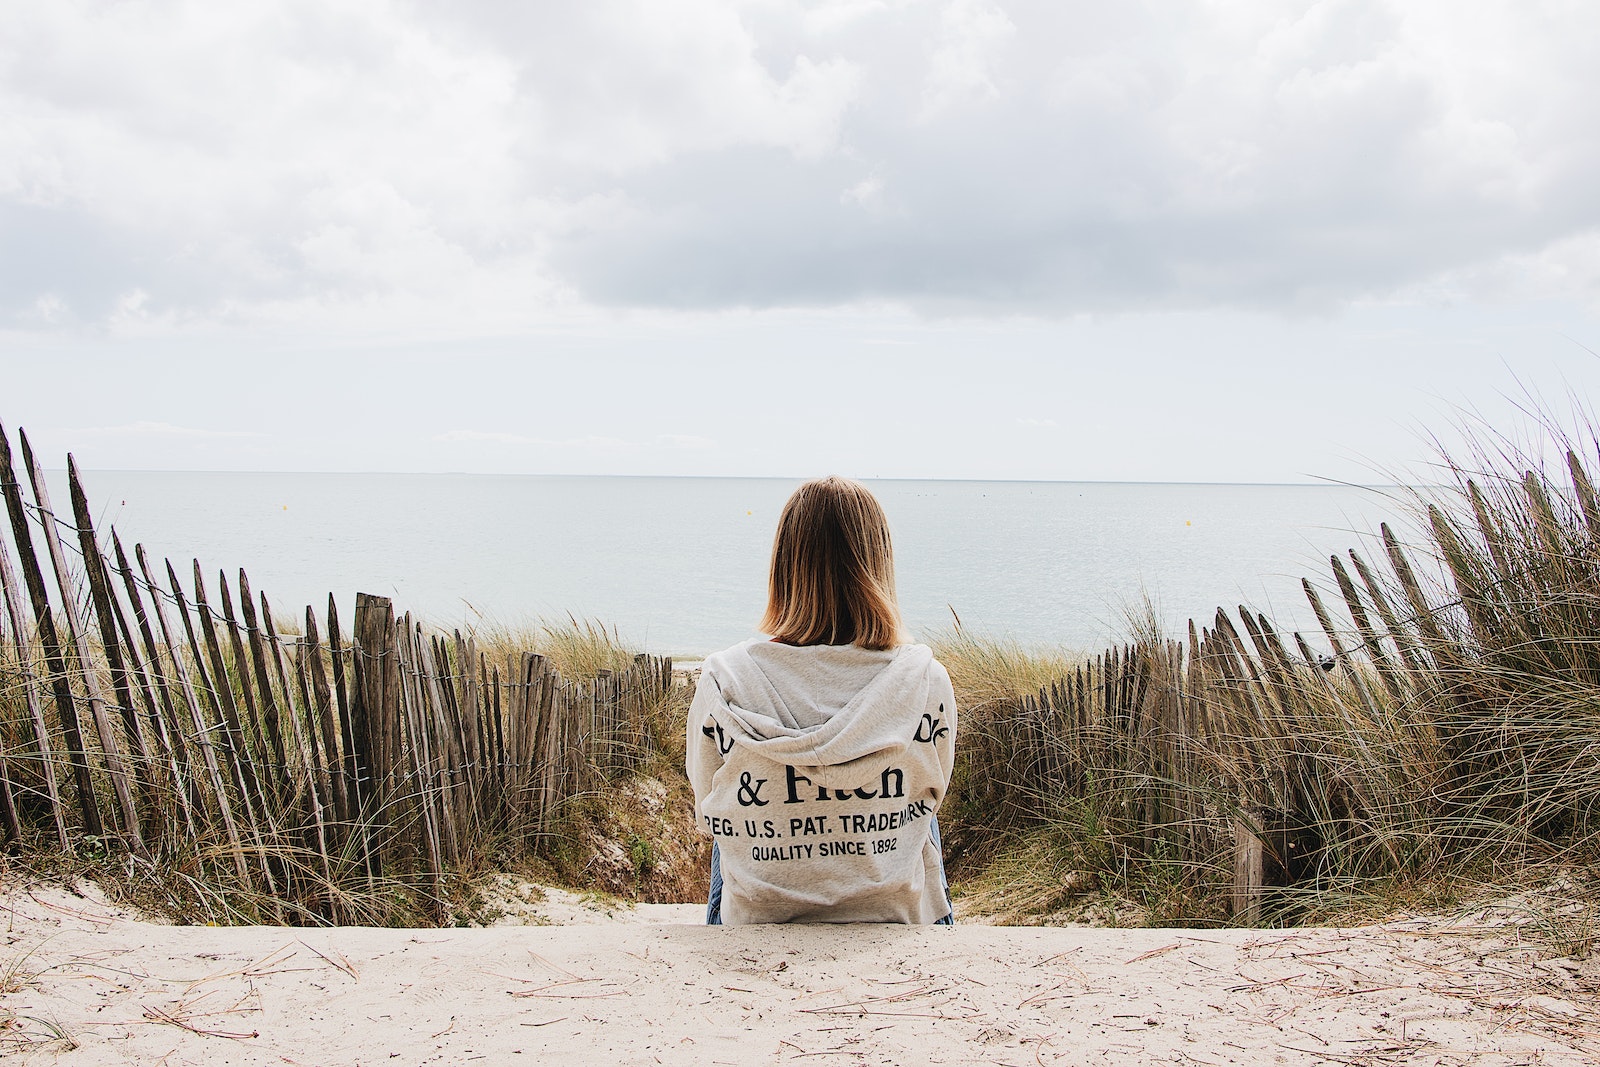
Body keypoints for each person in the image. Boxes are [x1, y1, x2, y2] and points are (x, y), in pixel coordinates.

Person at [686, 476, 957, 926]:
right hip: (892, 914)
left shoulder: (724, 677)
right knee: (922, 816)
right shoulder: (923, 678)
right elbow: (935, 789)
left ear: (783, 566)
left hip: (760, 916)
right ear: (880, 565)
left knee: (726, 824)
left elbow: (706, 809)